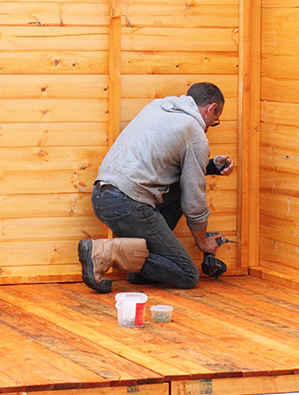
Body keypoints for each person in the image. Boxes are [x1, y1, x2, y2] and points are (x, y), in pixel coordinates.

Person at [78, 82, 235, 293]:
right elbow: (194, 200)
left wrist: (211, 166)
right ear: (211, 108)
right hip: (129, 203)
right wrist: (202, 242)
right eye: (214, 121)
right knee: (187, 274)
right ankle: (108, 252)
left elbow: (163, 165)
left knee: (179, 190)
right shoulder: (194, 132)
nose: (208, 127)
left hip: (102, 195)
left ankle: (137, 268)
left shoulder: (158, 107)